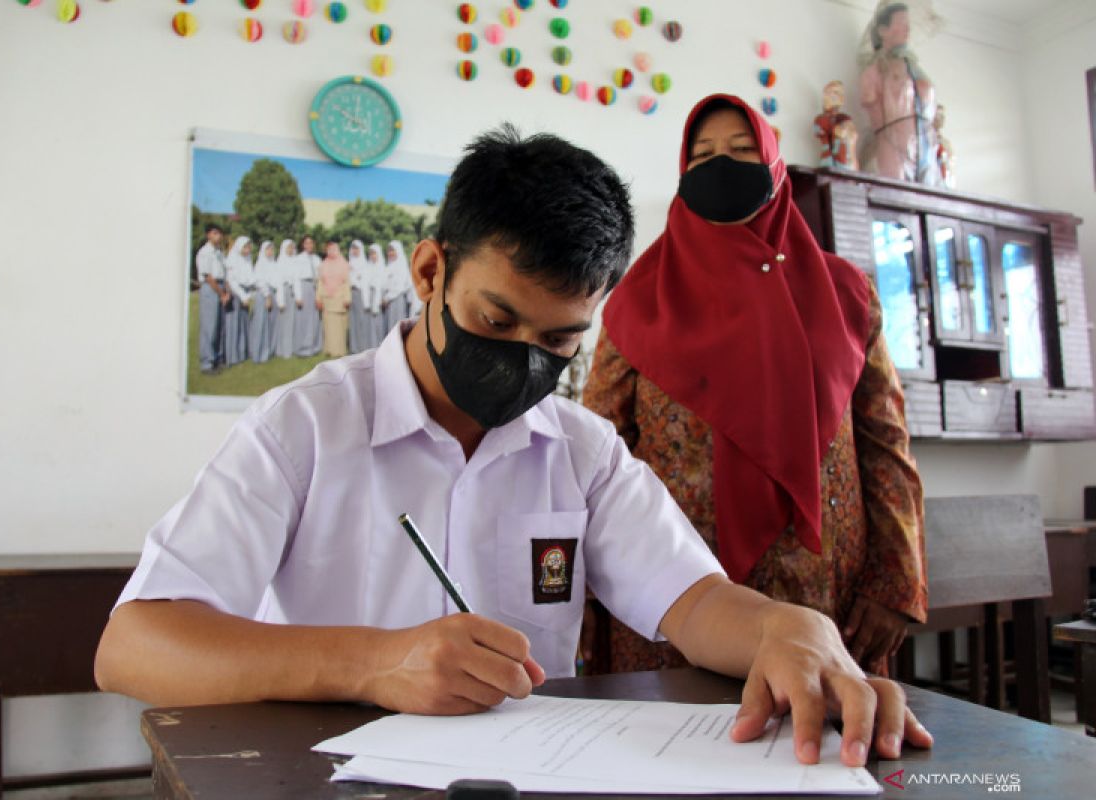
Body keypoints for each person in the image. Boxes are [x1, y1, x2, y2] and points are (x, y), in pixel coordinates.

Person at [95, 126, 932, 769]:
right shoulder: (305, 427)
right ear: (430, 271)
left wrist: (789, 629)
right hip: (321, 776)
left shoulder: (581, 449)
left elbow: (696, 603)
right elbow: (134, 645)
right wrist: (375, 664)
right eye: (496, 322)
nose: (523, 359)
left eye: (560, 340)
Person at [582, 94, 928, 677]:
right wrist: (584, 595)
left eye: (743, 151)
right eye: (704, 154)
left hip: (824, 593)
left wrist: (897, 582)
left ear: (773, 167)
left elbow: (884, 442)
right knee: (671, 753)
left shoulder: (846, 293)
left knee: (821, 747)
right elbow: (595, 455)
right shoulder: (638, 300)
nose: (722, 166)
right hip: (672, 591)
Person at [858, 1, 938, 184]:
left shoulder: (914, 68)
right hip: (892, 146)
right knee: (895, 192)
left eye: (907, 23)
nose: (907, 28)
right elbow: (869, 99)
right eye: (901, 22)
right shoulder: (876, 70)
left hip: (924, 145)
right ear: (882, 30)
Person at [194, 224, 229, 374]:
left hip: (220, 286)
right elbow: (208, 276)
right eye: (215, 233)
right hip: (211, 288)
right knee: (209, 326)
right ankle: (207, 363)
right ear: (208, 235)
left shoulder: (219, 252)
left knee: (219, 326)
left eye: (220, 233)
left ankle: (217, 358)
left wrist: (226, 291)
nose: (218, 236)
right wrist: (222, 294)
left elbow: (223, 272)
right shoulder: (205, 252)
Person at [316, 241, 352, 358]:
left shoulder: (344, 264)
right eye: (329, 249)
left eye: (334, 249)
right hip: (327, 299)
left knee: (339, 326)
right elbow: (320, 282)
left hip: (339, 298)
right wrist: (318, 298)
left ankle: (339, 350)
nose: (332, 252)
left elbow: (347, 283)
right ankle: (329, 349)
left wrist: (347, 298)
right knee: (328, 325)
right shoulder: (323, 264)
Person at [223, 236, 254, 367]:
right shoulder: (232, 258)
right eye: (245, 247)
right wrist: (243, 296)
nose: (247, 250)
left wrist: (250, 293)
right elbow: (231, 281)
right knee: (234, 325)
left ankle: (242, 353)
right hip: (236, 294)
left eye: (249, 247)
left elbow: (250, 277)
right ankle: (232, 356)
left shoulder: (248, 258)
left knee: (243, 324)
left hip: (246, 293)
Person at [812, 80, 858, 170]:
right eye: (827, 93)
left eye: (835, 93)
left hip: (843, 159)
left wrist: (842, 131)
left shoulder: (844, 118)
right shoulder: (821, 119)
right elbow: (819, 130)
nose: (830, 96)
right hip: (828, 157)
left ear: (841, 99)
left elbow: (850, 135)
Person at [291, 234, 323, 357]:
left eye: (311, 243)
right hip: (304, 287)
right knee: (303, 319)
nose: (309, 245)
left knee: (314, 318)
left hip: (315, 287)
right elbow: (296, 278)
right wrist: (298, 296)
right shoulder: (298, 259)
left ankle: (314, 346)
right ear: (303, 245)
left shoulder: (316, 259)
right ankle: (302, 347)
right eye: (307, 243)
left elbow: (320, 276)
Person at [248, 241, 277, 364]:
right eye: (268, 249)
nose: (270, 252)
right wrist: (267, 296)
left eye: (272, 249)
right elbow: (259, 281)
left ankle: (267, 352)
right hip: (264, 295)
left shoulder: (273, 263)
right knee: (260, 324)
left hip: (272, 293)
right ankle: (257, 353)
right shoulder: (260, 264)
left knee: (269, 325)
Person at [382, 240, 414, 333]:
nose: (390, 253)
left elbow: (399, 287)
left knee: (397, 327)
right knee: (389, 327)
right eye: (389, 251)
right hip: (388, 301)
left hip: (397, 300)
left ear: (398, 251)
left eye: (393, 251)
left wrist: (387, 298)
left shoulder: (401, 266)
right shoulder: (388, 266)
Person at [273, 239, 298, 359]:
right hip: (284, 292)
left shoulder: (294, 260)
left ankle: (291, 348)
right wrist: (281, 301)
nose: (291, 250)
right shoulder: (280, 261)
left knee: (292, 322)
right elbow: (278, 282)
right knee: (284, 323)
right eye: (288, 247)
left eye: (292, 247)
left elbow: (296, 279)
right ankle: (283, 350)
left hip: (293, 293)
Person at [347, 239, 371, 354]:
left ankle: (362, 347)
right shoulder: (349, 263)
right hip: (351, 293)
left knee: (362, 321)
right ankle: (354, 347)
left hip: (361, 294)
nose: (355, 251)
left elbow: (364, 282)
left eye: (357, 248)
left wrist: (355, 277)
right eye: (353, 248)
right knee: (353, 320)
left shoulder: (364, 264)